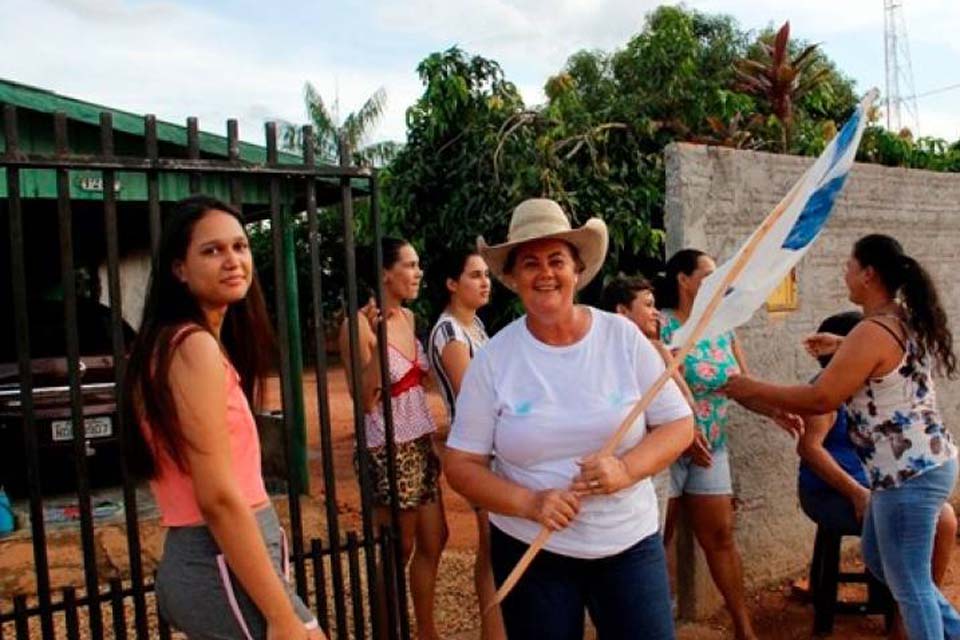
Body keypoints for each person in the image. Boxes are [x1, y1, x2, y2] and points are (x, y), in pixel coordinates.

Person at [444, 198, 695, 639]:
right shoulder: (494, 360)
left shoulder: (623, 339)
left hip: (628, 545)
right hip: (531, 549)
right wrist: (530, 502)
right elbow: (461, 466)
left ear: (577, 270)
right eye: (530, 263)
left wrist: (625, 468)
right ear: (513, 277)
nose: (545, 273)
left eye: (556, 260)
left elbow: (678, 425)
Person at [725, 234, 960, 639]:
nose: (844, 273)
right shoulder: (897, 319)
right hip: (909, 469)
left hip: (910, 473)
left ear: (868, 275)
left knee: (910, 584)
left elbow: (821, 398)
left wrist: (751, 387)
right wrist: (843, 343)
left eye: (849, 266)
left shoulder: (872, 332)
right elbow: (880, 359)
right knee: (878, 556)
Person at [124, 195, 323, 640]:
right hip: (220, 556)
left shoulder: (169, 344)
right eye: (212, 250)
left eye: (240, 246)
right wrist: (282, 615)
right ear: (179, 269)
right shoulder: (192, 347)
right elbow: (217, 495)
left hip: (219, 555)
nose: (233, 260)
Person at [657, 248, 801, 640]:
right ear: (683, 280)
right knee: (657, 543)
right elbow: (654, 389)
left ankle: (743, 628)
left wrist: (772, 411)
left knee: (720, 537)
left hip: (712, 447)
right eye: (707, 273)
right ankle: (657, 627)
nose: (716, 280)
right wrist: (682, 435)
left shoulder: (724, 328)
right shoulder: (661, 327)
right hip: (665, 451)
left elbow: (741, 386)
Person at [337, 237, 447, 640]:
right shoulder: (358, 325)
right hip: (386, 445)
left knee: (436, 537)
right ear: (386, 273)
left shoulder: (410, 318)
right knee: (395, 550)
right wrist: (379, 345)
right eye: (411, 265)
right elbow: (364, 399)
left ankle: (426, 630)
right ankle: (388, 631)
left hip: (419, 437)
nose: (418, 273)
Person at [426, 248, 505, 640]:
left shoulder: (475, 327)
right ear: (452, 284)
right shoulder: (449, 331)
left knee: (498, 543)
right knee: (490, 546)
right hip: (478, 450)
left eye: (486, 275)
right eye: (475, 275)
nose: (485, 282)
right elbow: (472, 393)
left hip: (496, 446)